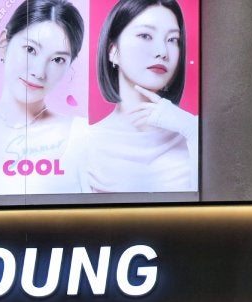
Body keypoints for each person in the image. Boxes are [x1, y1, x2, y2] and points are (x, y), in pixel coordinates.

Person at [78, 0, 198, 193]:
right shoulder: (82, 143)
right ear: (113, 51)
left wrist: (192, 129)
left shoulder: (194, 133)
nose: (162, 52)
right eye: (145, 36)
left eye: (173, 40)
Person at [0, 0, 88, 195]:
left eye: (57, 60)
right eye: (30, 50)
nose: (39, 72)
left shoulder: (82, 135)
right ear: (4, 43)